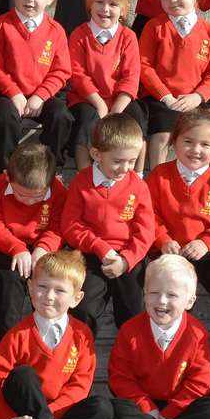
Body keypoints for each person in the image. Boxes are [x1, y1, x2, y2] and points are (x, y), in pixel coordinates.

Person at [0, 250, 112, 419]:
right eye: (42, 287)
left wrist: (46, 417)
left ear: (76, 298)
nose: (49, 296)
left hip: (56, 412)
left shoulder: (82, 334)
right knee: (23, 375)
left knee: (102, 409)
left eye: (60, 290)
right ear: (30, 288)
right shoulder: (16, 335)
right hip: (22, 411)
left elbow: (80, 385)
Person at [104, 255, 210, 419]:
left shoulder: (197, 335)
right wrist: (149, 409)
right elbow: (120, 377)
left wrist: (170, 413)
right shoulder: (130, 330)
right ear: (144, 294)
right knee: (114, 410)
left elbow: (201, 382)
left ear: (190, 301)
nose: (161, 301)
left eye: (172, 295)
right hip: (143, 407)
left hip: (181, 406)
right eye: (154, 292)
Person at [145, 108, 210, 353]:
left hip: (206, 248)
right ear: (174, 141)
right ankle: (163, 344)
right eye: (188, 142)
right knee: (158, 284)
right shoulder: (159, 176)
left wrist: (206, 242)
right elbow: (148, 214)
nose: (196, 150)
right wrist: (162, 239)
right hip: (169, 249)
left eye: (205, 144)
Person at [60, 113, 156, 332]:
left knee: (136, 311)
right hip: (90, 255)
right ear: (96, 154)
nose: (125, 168)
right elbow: (71, 226)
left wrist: (126, 260)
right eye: (118, 161)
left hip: (128, 256)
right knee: (81, 309)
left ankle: (132, 361)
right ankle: (82, 360)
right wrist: (100, 248)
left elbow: (146, 231)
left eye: (132, 161)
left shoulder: (139, 187)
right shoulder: (81, 183)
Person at [0, 0, 75, 175]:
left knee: (61, 116)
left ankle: (51, 170)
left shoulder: (56, 31)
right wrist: (14, 94)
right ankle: (3, 173)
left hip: (44, 95)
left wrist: (40, 96)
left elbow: (61, 71)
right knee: (4, 119)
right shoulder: (1, 25)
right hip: (8, 94)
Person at [139, 0, 210, 169]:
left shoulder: (209, 31)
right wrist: (166, 96)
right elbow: (144, 66)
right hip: (163, 98)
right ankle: (156, 182)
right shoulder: (154, 27)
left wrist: (198, 96)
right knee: (161, 136)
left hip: (198, 97)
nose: (172, 0)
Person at [0, 143, 66, 344]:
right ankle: (7, 343)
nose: (29, 203)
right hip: (5, 246)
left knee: (50, 280)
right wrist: (17, 248)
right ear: (7, 177)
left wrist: (43, 248)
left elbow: (58, 227)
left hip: (43, 247)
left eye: (38, 197)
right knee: (9, 281)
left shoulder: (59, 192)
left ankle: (47, 340)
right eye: (21, 194)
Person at [67, 0, 145, 169]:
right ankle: (84, 173)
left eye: (113, 4)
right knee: (85, 120)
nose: (105, 9)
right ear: (89, 4)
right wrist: (100, 105)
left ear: (124, 10)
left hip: (119, 98)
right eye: (99, 2)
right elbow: (78, 74)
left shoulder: (128, 36)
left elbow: (131, 75)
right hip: (87, 98)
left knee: (137, 119)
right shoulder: (79, 35)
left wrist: (117, 109)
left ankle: (137, 174)